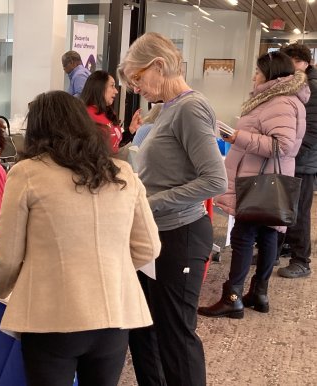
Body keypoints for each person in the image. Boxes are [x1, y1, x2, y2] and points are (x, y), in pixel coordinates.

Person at [0, 91, 161, 386]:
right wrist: (113, 267)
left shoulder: (27, 173)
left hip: (52, 315)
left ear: (36, 129)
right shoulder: (122, 171)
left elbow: (8, 254)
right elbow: (149, 246)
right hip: (115, 315)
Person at [117, 32, 227, 386]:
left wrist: (149, 203)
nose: (136, 88)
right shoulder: (166, 109)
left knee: (176, 337)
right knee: (147, 330)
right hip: (157, 233)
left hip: (180, 234)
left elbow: (214, 181)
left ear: (159, 66)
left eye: (138, 78)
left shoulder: (190, 107)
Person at [199, 52, 307, 318]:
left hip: (258, 184)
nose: (254, 76)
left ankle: (233, 297)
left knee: (244, 237)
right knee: (268, 235)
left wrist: (237, 136)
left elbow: (282, 145)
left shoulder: (279, 101)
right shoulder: (279, 99)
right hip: (263, 181)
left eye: (258, 72)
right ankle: (259, 294)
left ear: (271, 74)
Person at [276, 43, 317, 279]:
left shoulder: (311, 87)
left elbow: (311, 130)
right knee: (283, 208)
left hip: (302, 160)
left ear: (303, 62)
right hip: (292, 157)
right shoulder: (298, 84)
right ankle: (281, 248)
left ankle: (302, 261)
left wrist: (291, 155)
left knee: (299, 212)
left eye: (291, 63)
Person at [80, 70, 142, 155]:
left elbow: (115, 144)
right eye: (112, 86)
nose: (116, 91)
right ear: (99, 87)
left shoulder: (108, 112)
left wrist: (131, 130)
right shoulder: (84, 115)